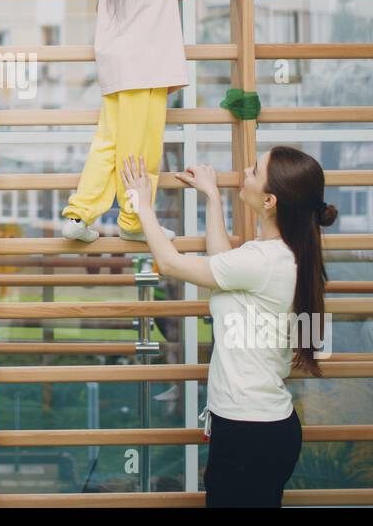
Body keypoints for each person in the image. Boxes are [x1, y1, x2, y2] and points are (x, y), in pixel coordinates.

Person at [121, 146, 334, 507]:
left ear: (269, 200)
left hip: (248, 433)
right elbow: (223, 266)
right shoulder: (279, 255)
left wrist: (142, 204)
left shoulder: (263, 261)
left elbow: (169, 264)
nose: (243, 173)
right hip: (261, 429)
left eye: (253, 170)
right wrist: (212, 197)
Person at [60, 0, 258, 243]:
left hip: (119, 68)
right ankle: (134, 221)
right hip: (143, 68)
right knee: (141, 148)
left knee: (110, 142)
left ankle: (80, 214)